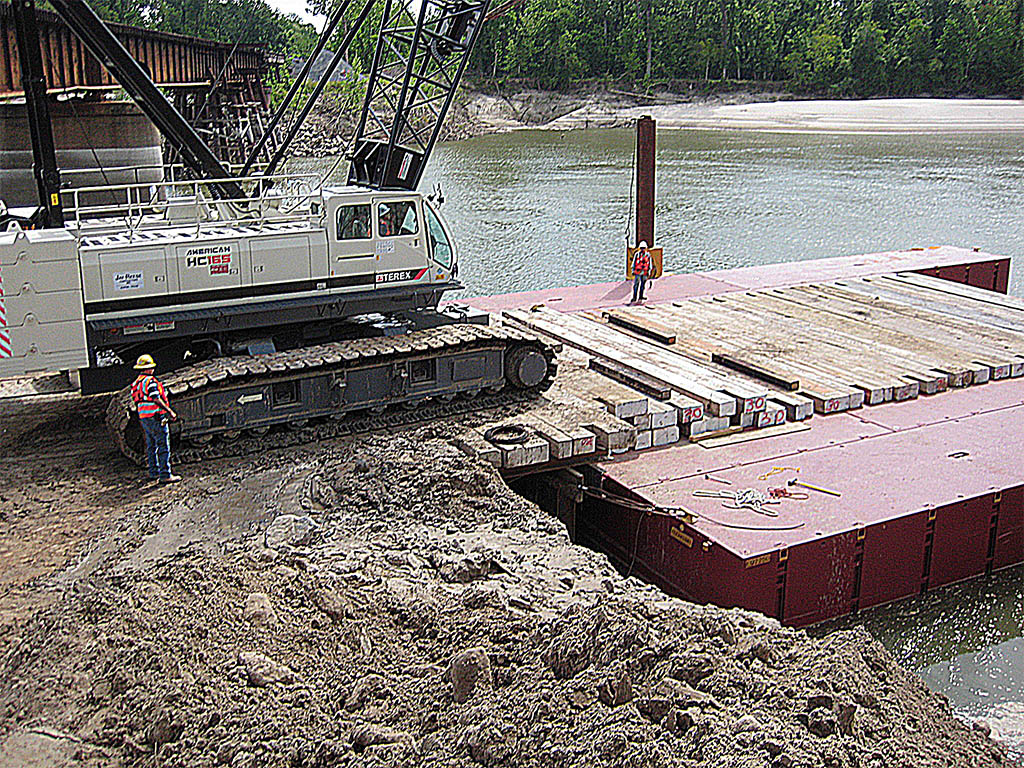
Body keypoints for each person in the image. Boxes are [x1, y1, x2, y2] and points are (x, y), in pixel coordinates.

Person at [130, 354, 181, 484]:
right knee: (163, 445)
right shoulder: (150, 381)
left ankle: (153, 472)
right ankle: (165, 474)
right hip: (155, 416)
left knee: (151, 445)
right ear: (149, 369)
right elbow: (155, 398)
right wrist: (170, 411)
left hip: (144, 417)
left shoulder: (136, 383)